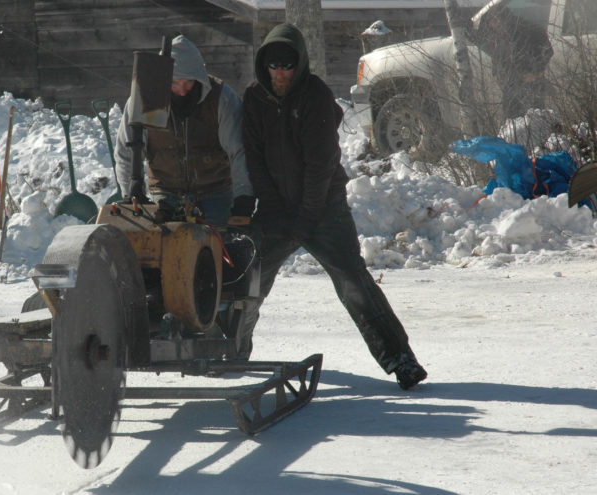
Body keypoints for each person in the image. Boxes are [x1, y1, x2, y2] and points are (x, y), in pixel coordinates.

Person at [241, 23, 427, 390]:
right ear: (264, 66)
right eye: (273, 67)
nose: (280, 74)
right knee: (249, 281)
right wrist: (276, 209)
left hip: (323, 207)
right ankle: (230, 353)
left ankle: (401, 359)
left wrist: (307, 216)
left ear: (300, 65)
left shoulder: (315, 96)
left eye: (287, 66)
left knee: (352, 281)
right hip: (277, 208)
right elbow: (255, 158)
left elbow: (320, 164)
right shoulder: (254, 98)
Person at [114, 35, 253, 226]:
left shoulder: (221, 99)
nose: (182, 90)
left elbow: (239, 151)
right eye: (174, 83)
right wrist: (131, 191)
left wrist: (243, 196)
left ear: (199, 77)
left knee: (220, 247)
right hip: (165, 192)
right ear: (164, 80)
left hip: (215, 191)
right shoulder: (145, 100)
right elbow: (126, 152)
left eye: (188, 82)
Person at [474, 3, 554, 119]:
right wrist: (496, 73)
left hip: (530, 85)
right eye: (490, 23)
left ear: (503, 19)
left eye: (494, 21)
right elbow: (498, 57)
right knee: (512, 122)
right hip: (509, 87)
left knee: (535, 120)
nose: (492, 25)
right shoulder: (499, 37)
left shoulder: (527, 31)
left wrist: (536, 73)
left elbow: (548, 51)